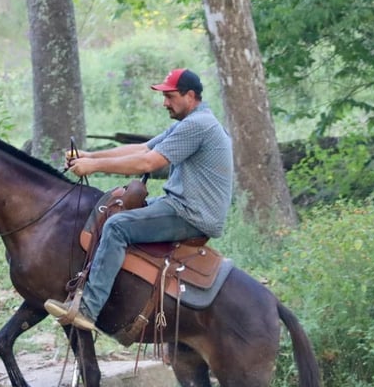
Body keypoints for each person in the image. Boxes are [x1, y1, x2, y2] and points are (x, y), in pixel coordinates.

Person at [44, 68, 234, 331]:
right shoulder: (191, 121)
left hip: (191, 214)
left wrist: (94, 167)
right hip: (181, 204)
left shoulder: (197, 125)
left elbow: (148, 161)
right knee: (112, 207)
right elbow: (143, 148)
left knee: (117, 226)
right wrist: (91, 156)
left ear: (190, 95)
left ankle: (88, 310)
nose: (165, 102)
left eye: (170, 96)